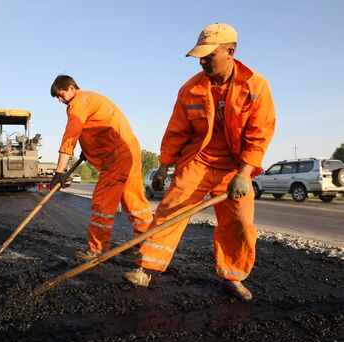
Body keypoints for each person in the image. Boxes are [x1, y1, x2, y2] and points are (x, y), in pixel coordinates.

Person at [123, 23, 276, 301]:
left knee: (240, 223)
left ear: (230, 52)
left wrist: (244, 173)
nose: (202, 61)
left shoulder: (255, 86)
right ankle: (145, 268)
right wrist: (164, 165)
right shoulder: (190, 89)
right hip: (198, 162)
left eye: (208, 55)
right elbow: (176, 131)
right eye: (200, 56)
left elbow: (260, 134)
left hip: (233, 168)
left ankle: (233, 277)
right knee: (170, 211)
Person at [50, 75, 153, 261]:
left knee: (102, 202)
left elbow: (69, 138)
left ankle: (96, 250)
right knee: (133, 200)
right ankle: (145, 243)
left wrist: (59, 172)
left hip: (116, 155)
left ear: (72, 88)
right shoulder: (92, 98)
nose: (59, 100)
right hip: (130, 149)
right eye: (56, 97)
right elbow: (97, 128)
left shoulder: (78, 103)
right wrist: (87, 151)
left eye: (60, 94)